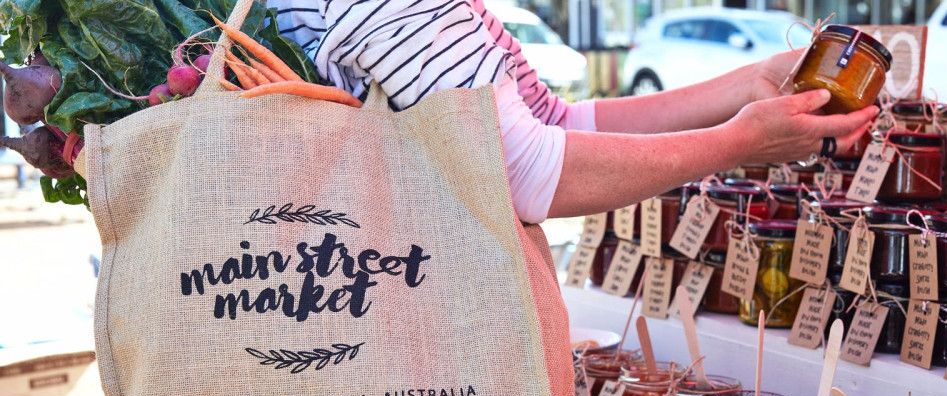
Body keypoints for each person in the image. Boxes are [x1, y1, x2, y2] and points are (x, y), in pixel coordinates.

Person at [268, 0, 876, 224]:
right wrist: (738, 143)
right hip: (408, 348)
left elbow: (549, 121)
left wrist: (746, 86)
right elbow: (520, 172)